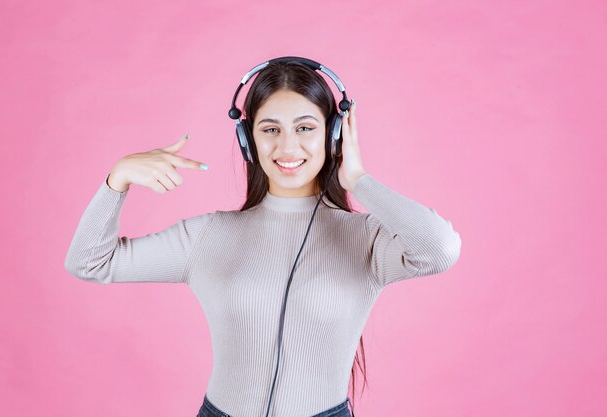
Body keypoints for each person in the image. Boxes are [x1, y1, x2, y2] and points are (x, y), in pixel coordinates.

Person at [64, 59, 462, 417]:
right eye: (270, 129)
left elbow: (439, 249)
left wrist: (359, 180)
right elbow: (90, 262)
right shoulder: (209, 235)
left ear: (334, 134)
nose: (287, 146)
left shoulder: (368, 240)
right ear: (248, 138)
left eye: (306, 128)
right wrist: (117, 180)